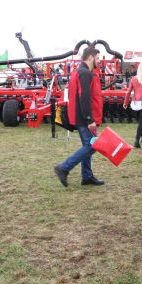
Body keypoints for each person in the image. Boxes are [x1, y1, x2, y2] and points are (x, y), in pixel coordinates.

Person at [53, 47, 104, 187]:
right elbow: (84, 98)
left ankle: (87, 176)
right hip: (85, 117)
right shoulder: (84, 73)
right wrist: (90, 119)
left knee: (87, 145)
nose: (99, 61)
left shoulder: (78, 72)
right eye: (98, 58)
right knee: (92, 146)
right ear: (90, 57)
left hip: (79, 116)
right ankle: (64, 168)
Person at [123, 61, 142, 148]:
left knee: (140, 121)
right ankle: (136, 140)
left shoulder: (133, 78)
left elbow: (128, 92)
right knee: (141, 122)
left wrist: (125, 103)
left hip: (135, 102)